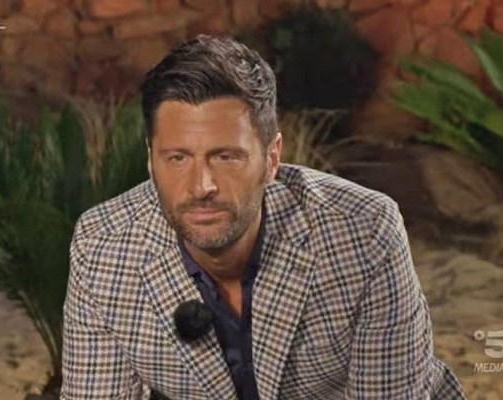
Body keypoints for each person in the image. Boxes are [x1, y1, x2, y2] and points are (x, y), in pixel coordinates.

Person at [61, 35, 466, 400]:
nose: (201, 186)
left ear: (272, 159)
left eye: (226, 157)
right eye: (178, 158)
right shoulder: (103, 247)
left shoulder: (363, 231)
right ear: (151, 161)